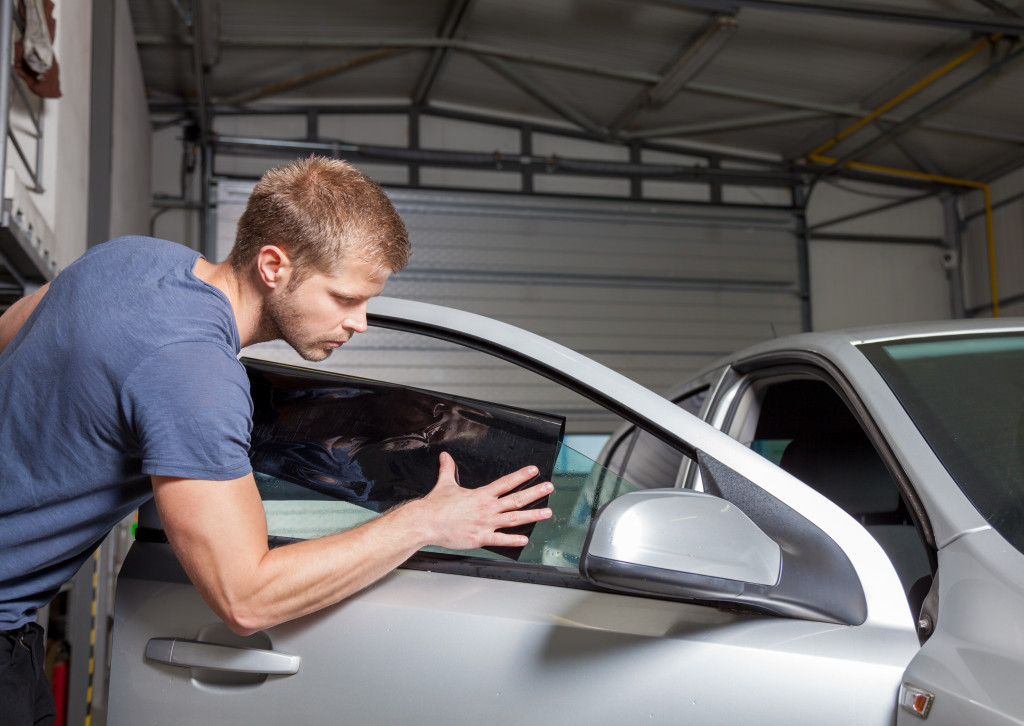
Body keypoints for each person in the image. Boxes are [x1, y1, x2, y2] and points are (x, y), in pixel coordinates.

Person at [0, 156, 553, 725]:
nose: (359, 322)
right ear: (273, 264)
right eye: (344, 298)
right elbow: (247, 598)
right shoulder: (196, 376)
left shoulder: (131, 257)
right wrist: (424, 523)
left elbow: (9, 334)